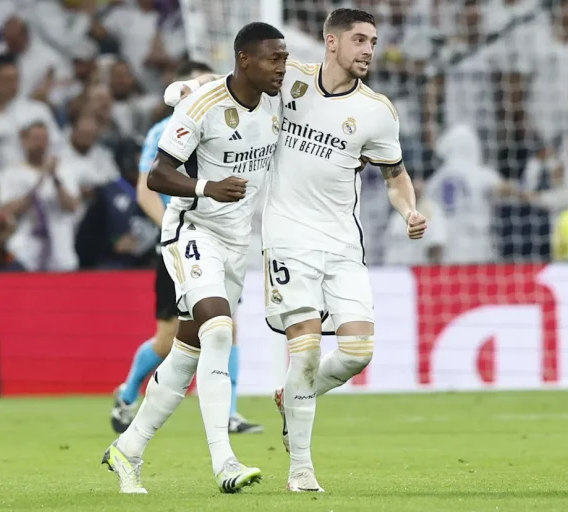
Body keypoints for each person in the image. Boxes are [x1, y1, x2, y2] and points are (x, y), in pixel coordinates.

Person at [165, 7, 427, 494]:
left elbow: (396, 176)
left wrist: (408, 210)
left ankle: (290, 395)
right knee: (304, 349)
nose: (369, 49)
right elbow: (229, 81)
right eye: (360, 40)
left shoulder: (378, 111)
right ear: (332, 42)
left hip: (344, 243)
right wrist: (185, 90)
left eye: (373, 41)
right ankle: (301, 471)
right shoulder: (289, 80)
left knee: (356, 352)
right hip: (286, 237)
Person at [101, 22, 287, 494]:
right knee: (219, 331)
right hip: (192, 230)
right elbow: (158, 176)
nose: (281, 69)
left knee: (187, 353)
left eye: (285, 60)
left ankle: (129, 447)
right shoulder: (200, 108)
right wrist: (208, 188)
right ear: (244, 59)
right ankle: (224, 461)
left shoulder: (277, 100)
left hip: (235, 243)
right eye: (273, 60)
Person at [109, 61, 263, 437]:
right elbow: (148, 185)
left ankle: (229, 413)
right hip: (179, 239)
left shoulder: (231, 126)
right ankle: (128, 394)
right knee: (169, 338)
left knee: (227, 326)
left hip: (220, 239)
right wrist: (168, 228)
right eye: (204, 84)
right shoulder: (164, 130)